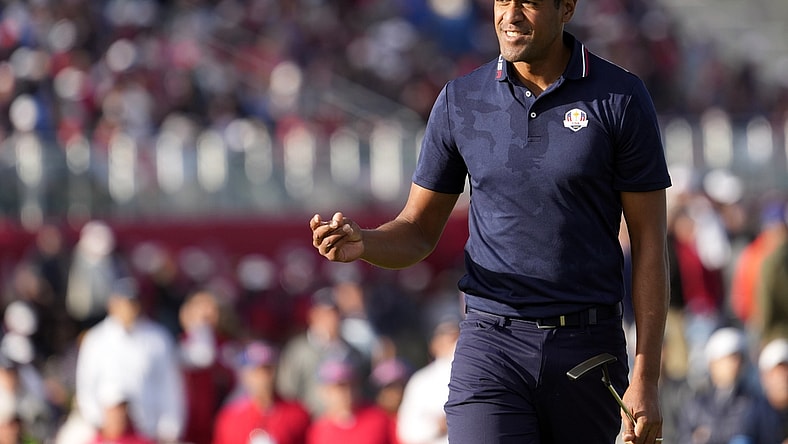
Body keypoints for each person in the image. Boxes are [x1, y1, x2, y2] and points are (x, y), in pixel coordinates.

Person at [310, 1, 671, 443]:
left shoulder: (621, 97)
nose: (511, 15)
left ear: (567, 8)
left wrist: (646, 377)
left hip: (587, 350)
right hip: (491, 343)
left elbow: (650, 244)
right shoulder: (461, 100)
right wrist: (364, 243)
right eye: (502, 0)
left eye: (530, 2)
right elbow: (419, 230)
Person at [75, 277, 185, 443]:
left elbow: (169, 386)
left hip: (148, 429)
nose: (128, 309)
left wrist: (170, 427)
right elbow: (86, 385)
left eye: (132, 303)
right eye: (123, 302)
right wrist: (98, 421)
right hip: (109, 433)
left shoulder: (157, 338)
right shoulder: (96, 340)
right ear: (112, 304)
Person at [276, 286, 367, 416]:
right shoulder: (298, 351)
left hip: (346, 421)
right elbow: (287, 392)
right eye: (325, 314)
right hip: (310, 421)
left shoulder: (352, 352)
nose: (332, 319)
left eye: (335, 313)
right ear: (313, 315)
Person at [675, 327, 765, 444]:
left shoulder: (755, 405)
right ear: (712, 363)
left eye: (737, 358)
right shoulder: (695, 406)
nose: (733, 365)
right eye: (727, 359)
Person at [212, 340, 311, 444]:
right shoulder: (229, 417)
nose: (261, 378)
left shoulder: (296, 414)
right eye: (255, 371)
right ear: (244, 375)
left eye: (266, 370)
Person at [396, 318, 459, 444]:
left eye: (456, 336)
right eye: (447, 336)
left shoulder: (474, 375)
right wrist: (438, 425)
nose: (454, 342)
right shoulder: (421, 381)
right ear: (434, 343)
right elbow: (407, 430)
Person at [306, 358, 396, 444]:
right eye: (340, 386)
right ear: (324, 391)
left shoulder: (380, 419)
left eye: (353, 385)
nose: (348, 392)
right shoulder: (318, 430)